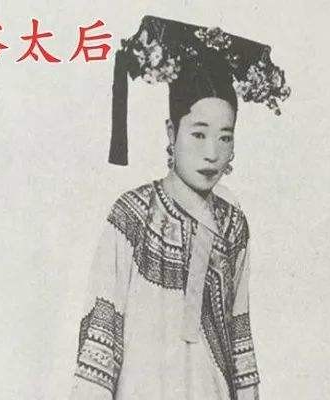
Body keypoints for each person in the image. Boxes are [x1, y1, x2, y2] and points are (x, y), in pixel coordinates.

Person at [69, 16, 290, 400]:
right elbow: (102, 330)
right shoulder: (132, 215)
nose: (212, 152)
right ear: (172, 133)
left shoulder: (232, 223)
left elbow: (239, 329)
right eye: (198, 134)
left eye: (225, 137)